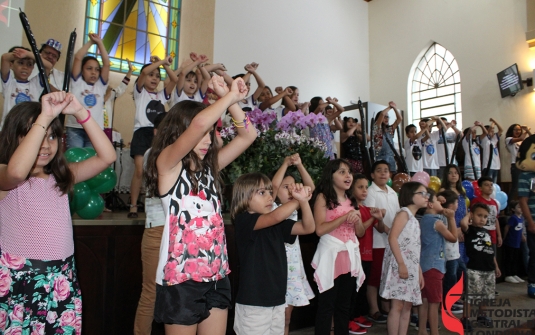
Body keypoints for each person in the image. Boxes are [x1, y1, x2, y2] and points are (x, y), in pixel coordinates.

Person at [144, 75, 257, 335]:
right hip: (180, 279)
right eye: (203, 135)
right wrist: (228, 95)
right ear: (179, 133)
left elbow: (248, 135)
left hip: (216, 275)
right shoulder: (167, 166)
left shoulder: (210, 169)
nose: (208, 140)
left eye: (212, 134)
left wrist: (232, 102)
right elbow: (199, 123)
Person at [0, 91, 116, 334]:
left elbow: (108, 156)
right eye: (36, 134)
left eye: (52, 136)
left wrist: (80, 112)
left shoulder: (61, 177)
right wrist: (44, 117)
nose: (45, 144)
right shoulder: (6, 175)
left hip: (60, 280)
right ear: (13, 136)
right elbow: (18, 172)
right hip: (20, 282)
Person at [231, 173, 314, 335]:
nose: (270, 197)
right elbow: (276, 216)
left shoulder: (277, 223)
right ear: (244, 197)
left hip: (277, 300)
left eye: (270, 192)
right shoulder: (244, 221)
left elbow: (308, 228)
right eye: (262, 193)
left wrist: (304, 202)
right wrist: (298, 200)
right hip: (254, 304)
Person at [311, 159, 366, 335]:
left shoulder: (351, 199)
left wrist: (357, 220)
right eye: (341, 172)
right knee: (326, 306)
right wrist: (344, 217)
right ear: (331, 175)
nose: (348, 175)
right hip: (331, 257)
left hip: (349, 257)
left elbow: (360, 232)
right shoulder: (323, 197)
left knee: (344, 306)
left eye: (349, 171)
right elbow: (319, 229)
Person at [127, 55, 177, 218]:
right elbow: (143, 72)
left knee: (158, 170)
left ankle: (159, 203)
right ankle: (133, 205)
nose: (154, 78)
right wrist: (160, 62)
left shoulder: (161, 95)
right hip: (142, 133)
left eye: (157, 76)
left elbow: (174, 79)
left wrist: (165, 66)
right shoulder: (140, 92)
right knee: (140, 170)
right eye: (151, 75)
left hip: (158, 135)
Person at [271, 154, 316, 335]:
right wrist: (284, 163)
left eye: (293, 186)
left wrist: (299, 165)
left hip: (293, 270)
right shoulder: (273, 208)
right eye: (286, 187)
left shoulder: (297, 206)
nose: (291, 190)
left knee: (287, 316)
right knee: (276, 316)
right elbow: (273, 186)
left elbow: (310, 188)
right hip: (276, 270)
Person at [379, 182, 427, 335]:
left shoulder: (413, 218)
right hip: (400, 266)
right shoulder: (403, 214)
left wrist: (418, 270)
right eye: (422, 193)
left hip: (410, 267)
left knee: (407, 306)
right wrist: (401, 264)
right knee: (397, 306)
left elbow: (414, 248)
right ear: (410, 196)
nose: (426, 197)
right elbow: (392, 238)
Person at [133, 112, 166, 335]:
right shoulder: (151, 154)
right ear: (156, 132)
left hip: (178, 229)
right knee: (151, 292)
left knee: (180, 292)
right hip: (157, 228)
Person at [363, 160, 400, 324]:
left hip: (391, 240)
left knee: (388, 276)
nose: (383, 173)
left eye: (386, 170)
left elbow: (397, 216)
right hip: (377, 240)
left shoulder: (392, 192)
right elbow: (373, 217)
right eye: (379, 170)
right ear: (372, 175)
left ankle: (386, 307)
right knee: (375, 277)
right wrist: (388, 231)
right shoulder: (370, 192)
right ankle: (373, 309)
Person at [417, 189, 457, 335]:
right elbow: (453, 237)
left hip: (424, 265)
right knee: (434, 303)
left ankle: (422, 330)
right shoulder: (436, 222)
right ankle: (434, 332)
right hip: (434, 265)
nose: (442, 203)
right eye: (438, 201)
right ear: (430, 205)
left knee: (425, 300)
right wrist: (451, 218)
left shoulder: (423, 220)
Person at [350, 173, 386, 333]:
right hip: (355, 255)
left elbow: (380, 228)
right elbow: (360, 231)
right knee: (352, 290)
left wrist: (379, 217)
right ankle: (349, 318)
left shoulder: (367, 209)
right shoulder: (352, 209)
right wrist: (372, 218)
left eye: (366, 187)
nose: (365, 190)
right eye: (360, 187)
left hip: (368, 254)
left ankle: (357, 315)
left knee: (362, 288)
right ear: (351, 189)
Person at [65, 33, 110, 149]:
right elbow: (78, 57)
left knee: (91, 161)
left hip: (95, 129)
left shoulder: (100, 86)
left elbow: (106, 64)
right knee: (75, 161)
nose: (93, 72)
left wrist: (100, 43)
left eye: (96, 70)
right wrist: (91, 42)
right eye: (89, 69)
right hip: (76, 128)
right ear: (82, 70)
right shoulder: (77, 82)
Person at [460, 203, 501, 328]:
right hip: (474, 268)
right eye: (479, 215)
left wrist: (496, 266)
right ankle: (465, 318)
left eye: (485, 216)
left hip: (488, 269)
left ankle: (482, 315)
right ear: (472, 215)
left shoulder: (487, 232)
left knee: (486, 295)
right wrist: (469, 215)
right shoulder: (470, 230)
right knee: (471, 295)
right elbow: (463, 223)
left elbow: (490, 251)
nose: (482, 219)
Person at [1, 46, 52, 128]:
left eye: (29, 64)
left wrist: (28, 54)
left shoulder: (36, 85)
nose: (25, 67)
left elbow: (48, 66)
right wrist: (21, 54)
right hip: (9, 129)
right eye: (21, 63)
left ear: (32, 67)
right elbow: (4, 58)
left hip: (28, 129)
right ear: (11, 65)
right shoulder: (8, 83)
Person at [515, 134, 535, 298]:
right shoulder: (525, 177)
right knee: (534, 254)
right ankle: (533, 283)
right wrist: (530, 221)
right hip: (534, 221)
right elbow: (523, 200)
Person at [103, 58, 133, 141]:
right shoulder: (94, 94)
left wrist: (130, 71)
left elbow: (121, 87)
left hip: (106, 129)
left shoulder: (110, 94)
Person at [471, 176, 503, 255]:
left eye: (491, 185)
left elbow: (496, 219)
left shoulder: (494, 202)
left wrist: (499, 235)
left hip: (493, 235)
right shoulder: (477, 201)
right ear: (480, 188)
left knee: (493, 258)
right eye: (486, 185)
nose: (490, 187)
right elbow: (472, 218)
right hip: (481, 235)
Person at [372, 102, 402, 175]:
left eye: (387, 117)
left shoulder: (390, 130)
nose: (386, 118)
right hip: (381, 158)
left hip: (391, 157)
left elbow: (399, 119)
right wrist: (390, 107)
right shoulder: (376, 128)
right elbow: (382, 114)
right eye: (384, 117)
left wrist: (394, 108)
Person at [505, 123, 531, 201]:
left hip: (524, 165)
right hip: (515, 166)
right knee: (515, 187)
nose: (518, 131)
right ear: (512, 130)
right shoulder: (509, 139)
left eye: (519, 130)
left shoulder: (522, 142)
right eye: (516, 129)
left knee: (526, 185)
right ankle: (508, 208)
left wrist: (527, 131)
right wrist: (527, 130)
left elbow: (532, 139)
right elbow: (521, 138)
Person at [502, 200, 526, 284]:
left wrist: (522, 236)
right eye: (519, 207)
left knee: (515, 259)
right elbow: (507, 227)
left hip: (517, 242)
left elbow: (521, 229)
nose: (521, 209)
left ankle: (514, 273)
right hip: (510, 242)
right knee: (509, 258)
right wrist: (504, 237)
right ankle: (508, 274)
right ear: (513, 209)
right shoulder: (513, 218)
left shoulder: (521, 218)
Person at [481, 118, 503, 182]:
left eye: (493, 131)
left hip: (496, 166)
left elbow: (501, 130)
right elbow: (489, 130)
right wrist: (493, 122)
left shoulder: (494, 140)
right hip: (488, 166)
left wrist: (495, 121)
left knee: (494, 185)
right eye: (491, 131)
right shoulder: (484, 140)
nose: (493, 132)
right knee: (489, 183)